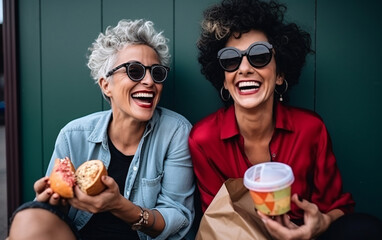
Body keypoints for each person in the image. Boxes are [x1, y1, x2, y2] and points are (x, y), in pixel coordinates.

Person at [188, 0, 382, 239]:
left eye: (259, 55)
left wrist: (320, 223)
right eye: (231, 59)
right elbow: (217, 219)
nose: (245, 68)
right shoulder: (204, 139)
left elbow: (339, 207)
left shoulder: (311, 129)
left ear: (279, 75)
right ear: (224, 79)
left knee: (364, 228)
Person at [8, 19, 194, 240]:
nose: (149, 81)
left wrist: (119, 206)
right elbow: (55, 217)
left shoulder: (175, 132)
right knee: (28, 220)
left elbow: (178, 218)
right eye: (134, 71)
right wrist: (49, 204)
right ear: (106, 85)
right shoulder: (73, 135)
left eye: (157, 73)